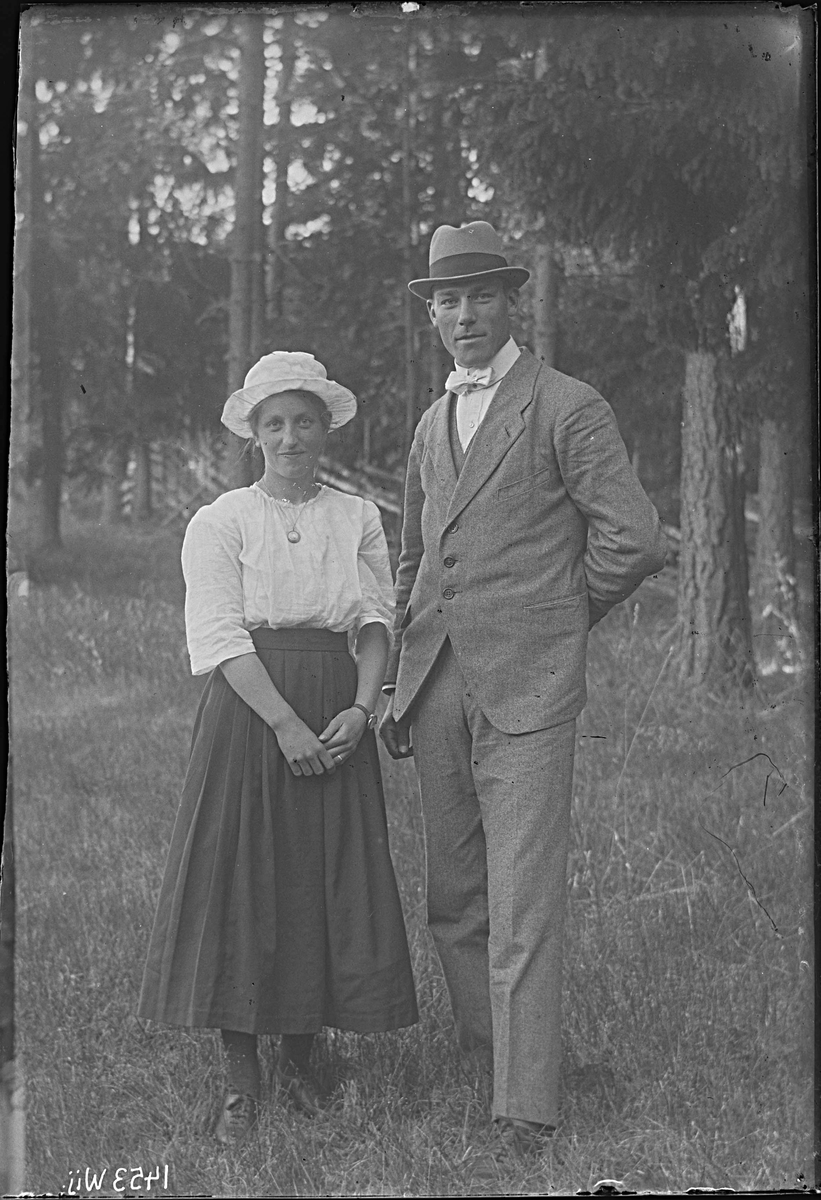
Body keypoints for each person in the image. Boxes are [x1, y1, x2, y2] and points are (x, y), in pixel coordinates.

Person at [379, 221, 668, 1151]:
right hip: (432, 690)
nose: (461, 315)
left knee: (522, 901)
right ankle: (487, 1058)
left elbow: (633, 539)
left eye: (478, 297)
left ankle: (526, 1106)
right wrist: (394, 680)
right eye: (445, 301)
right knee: (454, 898)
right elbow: (417, 556)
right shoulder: (433, 420)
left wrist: (556, 618)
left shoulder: (566, 406)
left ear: (512, 301)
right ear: (433, 313)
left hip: (528, 694)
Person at [138, 351, 418, 1145]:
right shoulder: (221, 520)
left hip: (337, 706)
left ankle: (303, 1059)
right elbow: (219, 634)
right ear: (253, 435)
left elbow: (373, 620)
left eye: (303, 422)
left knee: (320, 876)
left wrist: (363, 709)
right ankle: (240, 1081)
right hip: (252, 709)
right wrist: (284, 724)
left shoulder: (356, 514)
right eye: (275, 424)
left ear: (324, 428)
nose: (290, 437)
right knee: (243, 878)